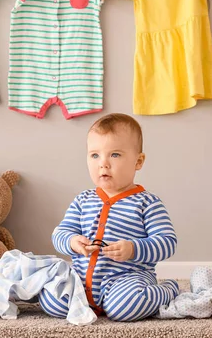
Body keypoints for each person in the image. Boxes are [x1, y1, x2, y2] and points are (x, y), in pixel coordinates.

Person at [43, 113, 179, 321]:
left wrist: (133, 248)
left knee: (125, 308)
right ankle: (85, 302)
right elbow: (60, 233)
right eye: (95, 155)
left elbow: (167, 243)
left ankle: (169, 289)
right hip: (82, 280)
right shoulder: (82, 200)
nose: (103, 164)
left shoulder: (148, 203)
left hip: (126, 280)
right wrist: (72, 242)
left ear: (138, 161)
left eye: (115, 155)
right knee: (51, 301)